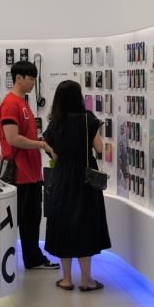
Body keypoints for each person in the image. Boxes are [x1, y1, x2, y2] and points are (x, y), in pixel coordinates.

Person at [43, 80, 111, 291]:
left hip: (62, 178)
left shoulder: (55, 122)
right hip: (85, 180)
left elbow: (50, 150)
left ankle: (66, 279)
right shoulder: (87, 119)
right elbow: (99, 148)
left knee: (63, 224)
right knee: (85, 225)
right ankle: (86, 280)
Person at [0, 60, 59, 270]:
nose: (34, 83)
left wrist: (41, 143)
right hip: (20, 173)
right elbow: (12, 138)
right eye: (31, 78)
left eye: (34, 78)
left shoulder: (24, 104)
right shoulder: (10, 104)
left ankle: (33, 258)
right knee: (24, 220)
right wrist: (41, 144)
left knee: (32, 220)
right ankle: (27, 259)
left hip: (32, 173)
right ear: (19, 78)